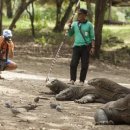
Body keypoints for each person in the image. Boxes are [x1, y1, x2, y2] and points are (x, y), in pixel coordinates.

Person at [67, 8, 95, 86]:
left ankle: (81, 81)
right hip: (76, 46)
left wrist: (92, 47)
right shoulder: (75, 24)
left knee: (84, 65)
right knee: (73, 63)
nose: (78, 15)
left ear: (85, 15)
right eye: (78, 14)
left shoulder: (89, 25)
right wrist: (69, 27)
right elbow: (70, 34)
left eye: (80, 14)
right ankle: (72, 79)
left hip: (86, 47)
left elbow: (92, 37)